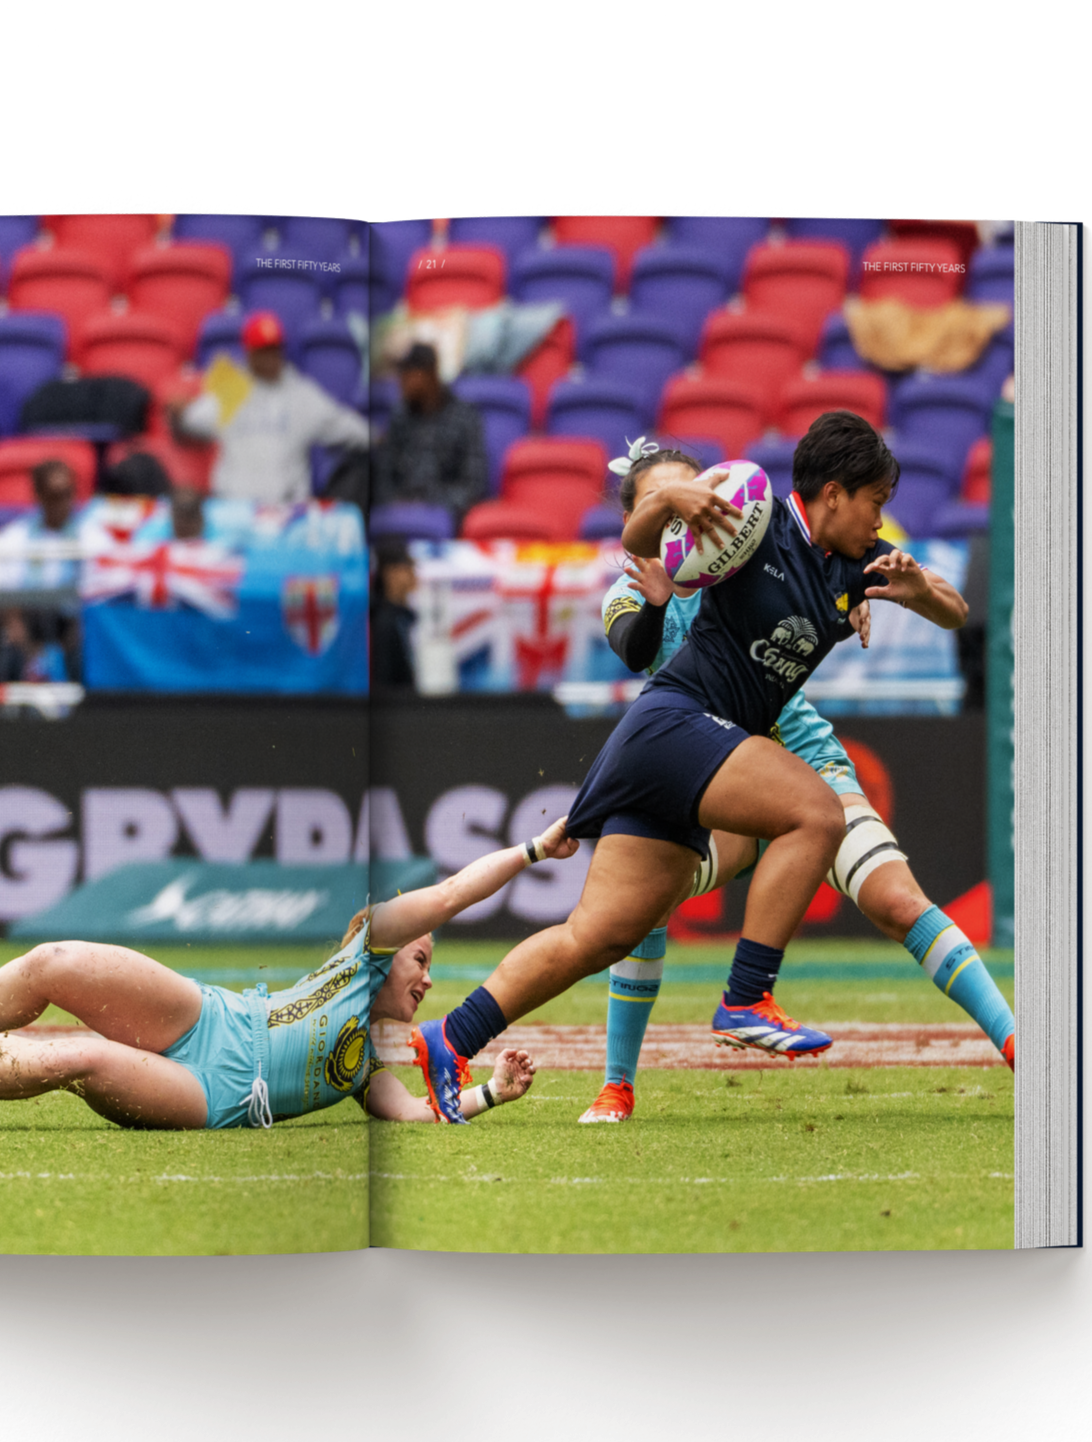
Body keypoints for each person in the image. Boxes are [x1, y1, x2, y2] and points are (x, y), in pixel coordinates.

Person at [407, 411, 971, 1122]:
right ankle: (745, 996)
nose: (878, 520)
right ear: (833, 492)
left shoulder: (857, 565)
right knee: (816, 813)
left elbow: (955, 610)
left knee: (598, 934)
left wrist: (920, 593)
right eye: (874, 503)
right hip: (678, 722)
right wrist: (670, 500)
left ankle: (449, 1040)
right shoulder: (755, 520)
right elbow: (638, 542)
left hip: (677, 743)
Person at [568, 439, 1016, 1122]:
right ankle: (616, 1082)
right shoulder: (628, 595)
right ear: (643, 519)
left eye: (700, 493)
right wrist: (663, 595)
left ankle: (1019, 1046)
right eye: (669, 506)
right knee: (640, 905)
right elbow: (634, 651)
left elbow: (835, 572)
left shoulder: (756, 547)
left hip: (798, 758)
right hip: (709, 779)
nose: (696, 513)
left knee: (896, 899)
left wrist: (863, 592)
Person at [0, 819, 582, 1129]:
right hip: (209, 1015)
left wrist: (491, 1093)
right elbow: (450, 893)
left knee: (81, 1057)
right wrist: (533, 852)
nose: (425, 980)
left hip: (217, 1094)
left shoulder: (369, 1061)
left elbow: (413, 1116)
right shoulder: (368, 950)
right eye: (422, 961)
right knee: (51, 962)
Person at [174, 311, 369, 506]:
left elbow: (350, 428)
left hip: (286, 511)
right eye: (263, 350)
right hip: (234, 508)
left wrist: (373, 435)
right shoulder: (233, 388)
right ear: (249, 352)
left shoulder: (300, 394)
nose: (271, 358)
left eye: (274, 349)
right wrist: (179, 410)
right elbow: (189, 420)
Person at [0, 457, 86, 682]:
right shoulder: (15, 537)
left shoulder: (89, 536)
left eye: (68, 494)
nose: (63, 503)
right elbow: (7, 598)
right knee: (7, 649)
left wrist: (78, 628)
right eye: (55, 496)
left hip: (71, 624)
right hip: (28, 625)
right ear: (39, 495)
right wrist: (23, 640)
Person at [374, 342, 488, 523]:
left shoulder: (464, 417)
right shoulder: (400, 416)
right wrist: (395, 503)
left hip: (446, 516)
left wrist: (431, 504)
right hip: (400, 514)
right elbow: (385, 473)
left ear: (429, 375)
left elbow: (473, 484)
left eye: (409, 373)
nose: (401, 381)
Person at [370, 538, 418, 688]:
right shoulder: (385, 623)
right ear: (389, 573)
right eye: (407, 565)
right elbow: (385, 680)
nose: (413, 571)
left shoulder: (404, 618)